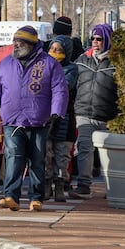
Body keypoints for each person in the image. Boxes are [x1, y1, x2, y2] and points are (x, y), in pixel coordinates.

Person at [0, 26, 68, 212]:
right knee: (13, 158)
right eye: (15, 42)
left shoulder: (49, 63)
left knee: (37, 160)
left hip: (39, 120)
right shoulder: (6, 64)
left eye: (20, 42)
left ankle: (36, 198)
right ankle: (11, 196)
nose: (16, 45)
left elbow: (60, 90)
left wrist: (57, 113)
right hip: (12, 121)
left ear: (31, 45)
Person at [72, 24, 117, 198]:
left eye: (99, 39)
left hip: (107, 115)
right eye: (93, 39)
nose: (95, 42)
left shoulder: (116, 64)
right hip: (83, 113)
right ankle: (84, 185)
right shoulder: (83, 60)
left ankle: (111, 187)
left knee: (108, 154)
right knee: (84, 148)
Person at [45, 36, 80, 201]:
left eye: (59, 50)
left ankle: (60, 185)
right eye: (52, 49)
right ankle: (46, 185)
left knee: (62, 156)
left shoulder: (71, 69)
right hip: (45, 118)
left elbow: (64, 87)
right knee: (46, 154)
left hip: (64, 119)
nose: (55, 53)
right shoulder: (43, 66)